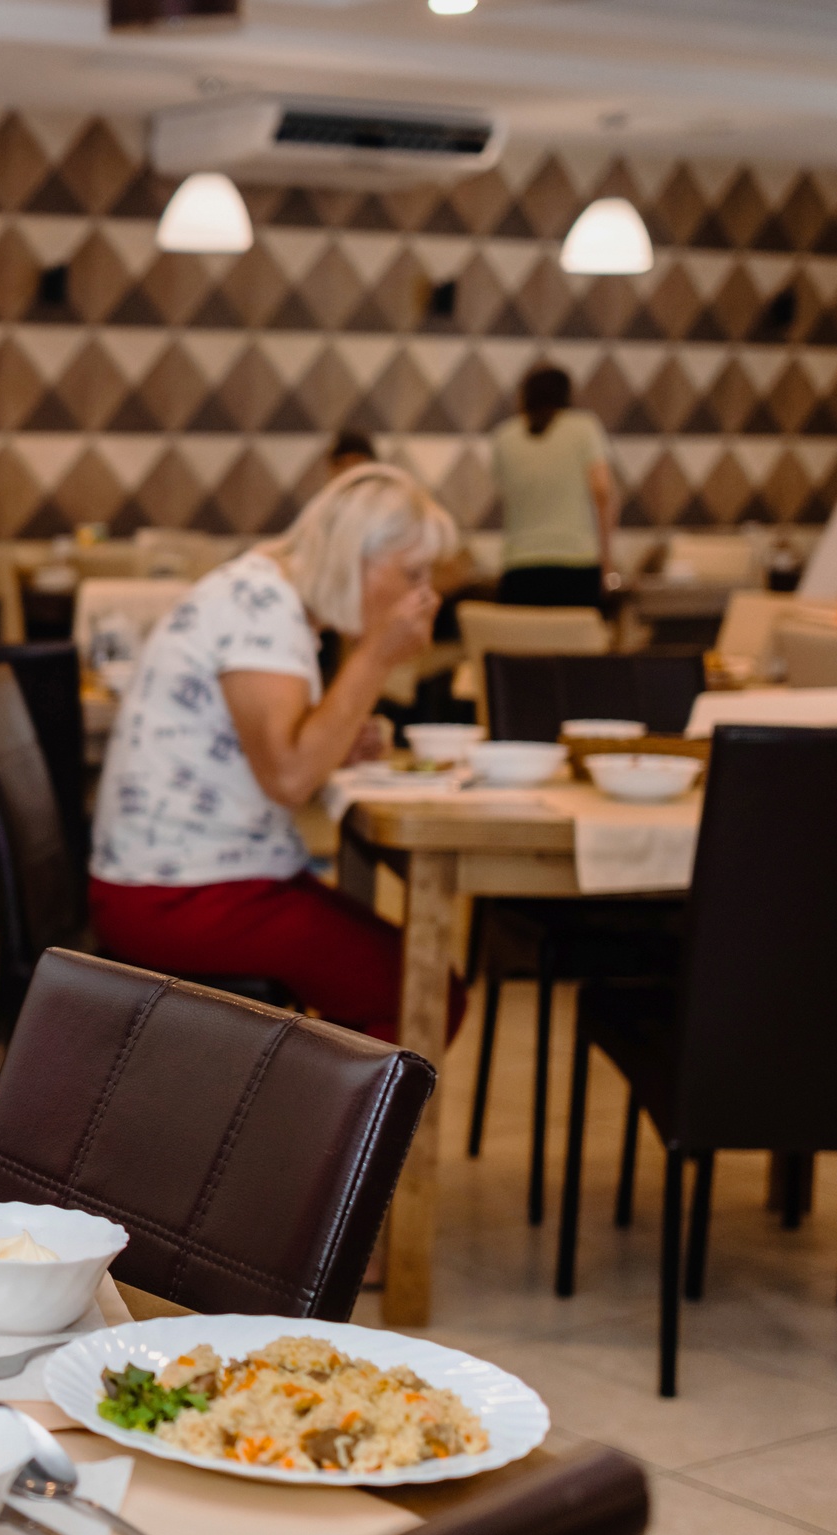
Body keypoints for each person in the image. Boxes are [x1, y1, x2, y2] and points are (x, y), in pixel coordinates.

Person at [87, 464, 460, 1042]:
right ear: (356, 558)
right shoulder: (262, 608)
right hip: (178, 894)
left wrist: (335, 742)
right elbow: (288, 777)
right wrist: (375, 657)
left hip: (188, 878)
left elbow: (267, 748)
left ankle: (293, 1089)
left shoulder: (263, 593)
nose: (425, 595)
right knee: (426, 993)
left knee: (406, 979)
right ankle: (295, 1096)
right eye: (412, 573)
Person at [490, 366, 617, 608]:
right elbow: (603, 492)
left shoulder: (503, 436)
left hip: (518, 568)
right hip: (577, 566)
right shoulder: (584, 428)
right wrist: (608, 563)